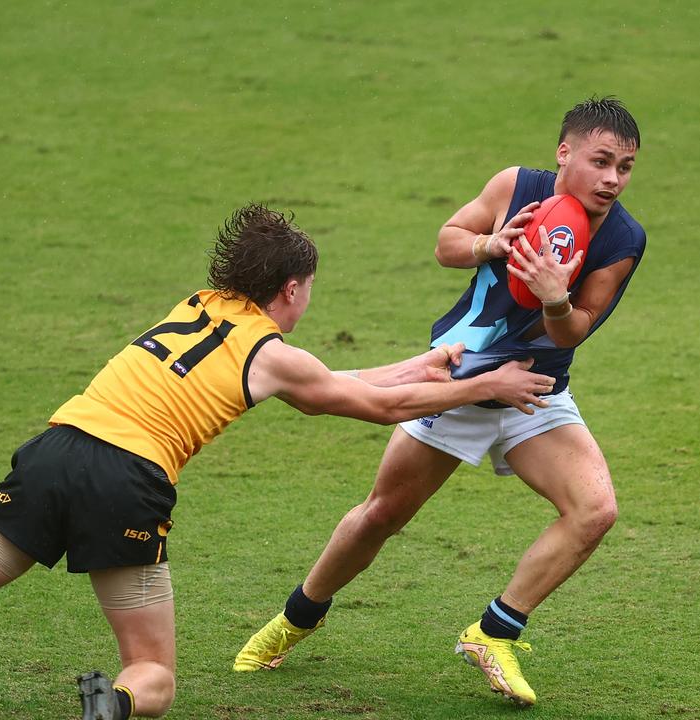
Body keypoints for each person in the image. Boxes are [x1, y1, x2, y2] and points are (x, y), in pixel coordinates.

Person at [0, 204, 556, 720]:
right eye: (308, 291)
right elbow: (362, 402)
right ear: (290, 289)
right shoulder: (273, 350)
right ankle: (111, 706)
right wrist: (487, 381)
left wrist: (429, 362)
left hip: (55, 450)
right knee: (152, 674)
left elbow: (333, 381)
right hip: (128, 483)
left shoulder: (196, 306)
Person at [233, 97, 646, 707]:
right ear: (565, 153)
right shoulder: (514, 187)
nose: (613, 179)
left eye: (627, 167)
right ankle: (297, 618)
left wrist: (556, 298)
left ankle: (495, 631)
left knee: (595, 509)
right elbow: (447, 242)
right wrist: (492, 246)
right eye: (602, 161)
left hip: (533, 392)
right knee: (381, 515)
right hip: (456, 378)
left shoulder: (624, 238)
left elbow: (574, 329)